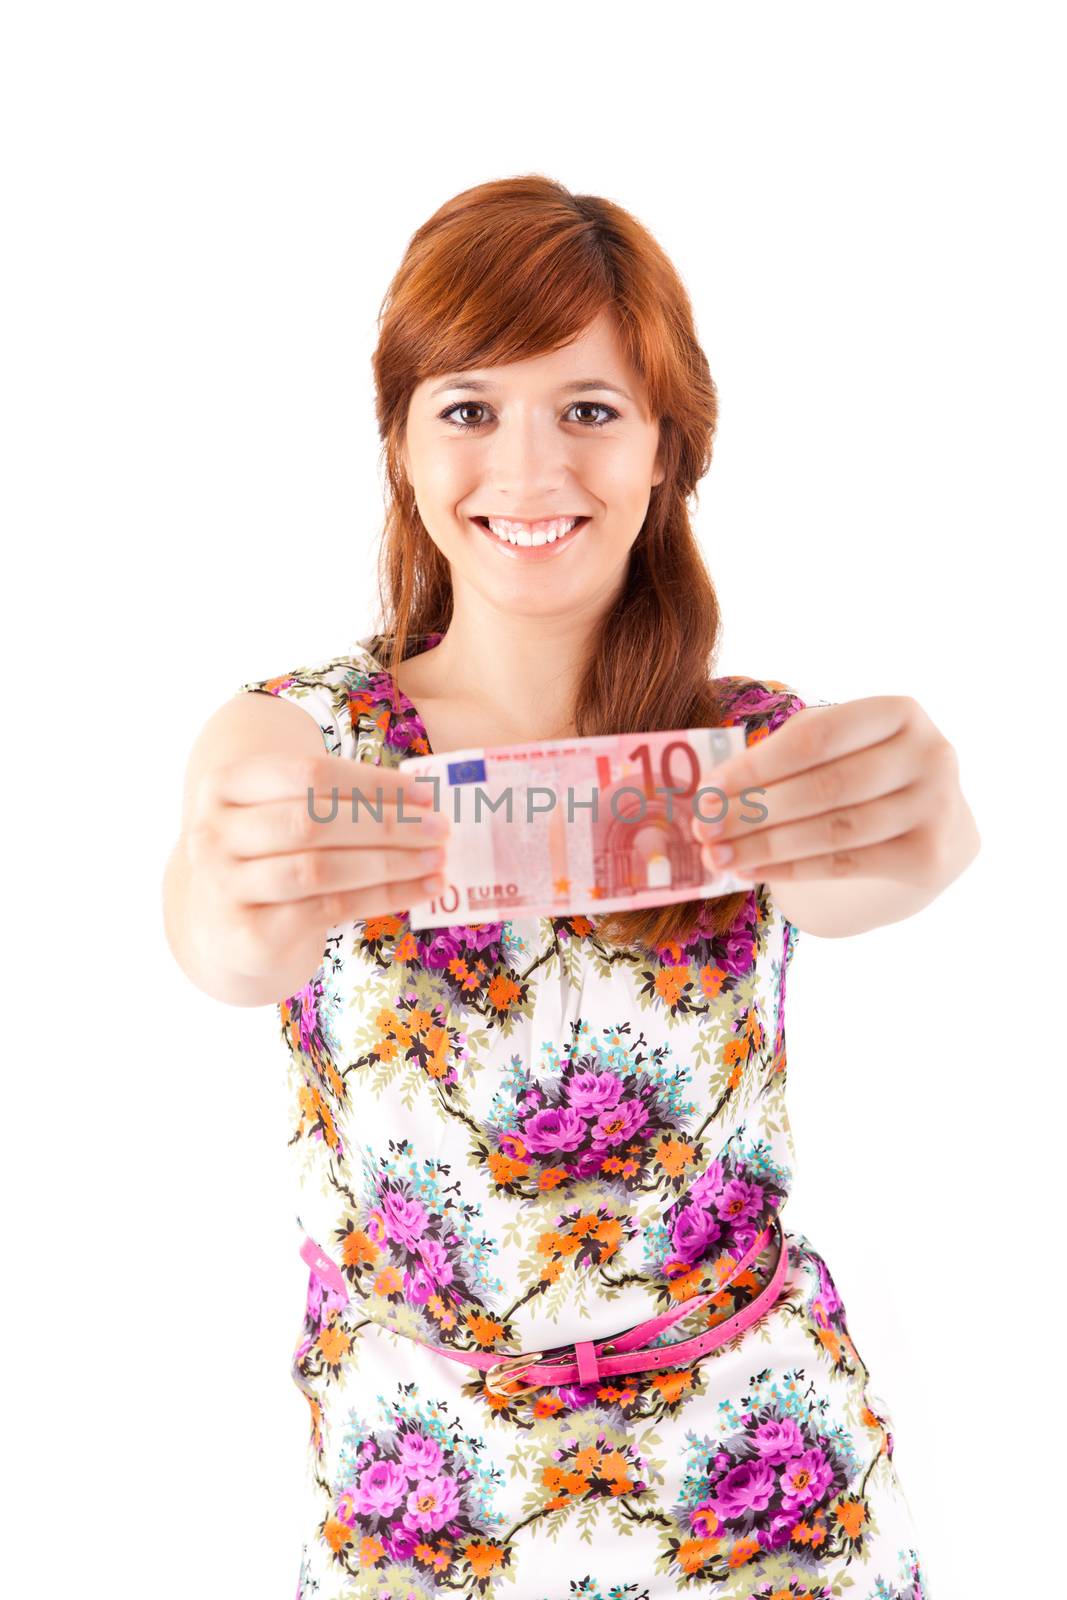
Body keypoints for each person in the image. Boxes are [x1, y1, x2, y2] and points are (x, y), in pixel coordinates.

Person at [163, 175, 976, 1599]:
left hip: (762, 1484)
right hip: (423, 1491)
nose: (531, 473)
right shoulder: (297, 741)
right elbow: (222, 943)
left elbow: (861, 882)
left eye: (589, 408)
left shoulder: (759, 754)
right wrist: (229, 899)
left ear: (670, 448)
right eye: (469, 408)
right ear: (403, 446)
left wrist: (922, 828)